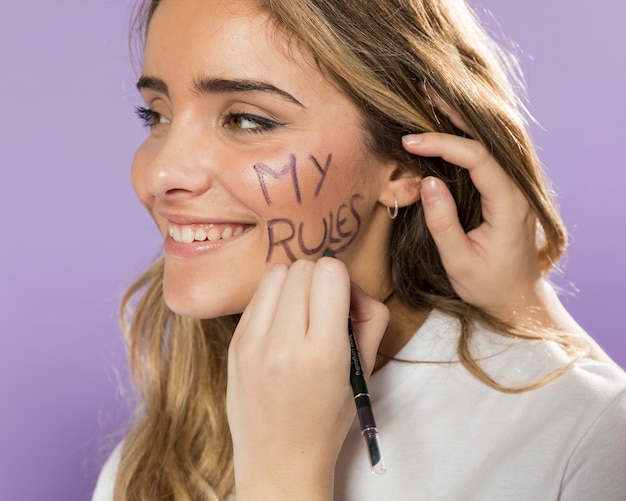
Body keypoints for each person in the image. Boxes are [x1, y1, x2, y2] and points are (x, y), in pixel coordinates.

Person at [93, 0, 626, 499]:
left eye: (248, 120)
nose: (161, 173)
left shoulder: (574, 436)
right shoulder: (154, 460)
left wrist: (284, 477)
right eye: (156, 115)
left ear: (402, 166)